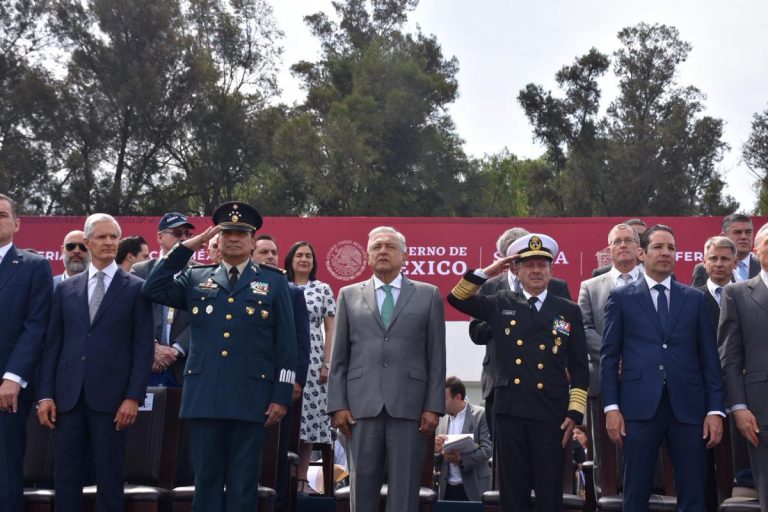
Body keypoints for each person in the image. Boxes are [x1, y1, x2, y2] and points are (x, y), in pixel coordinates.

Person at [142, 201, 297, 512]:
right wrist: (188, 246)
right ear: (217, 239)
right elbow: (153, 288)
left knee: (243, 483)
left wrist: (281, 394)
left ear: (253, 242)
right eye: (227, 233)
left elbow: (287, 344)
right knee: (207, 481)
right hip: (205, 393)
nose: (234, 239)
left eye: (241, 234)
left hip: (251, 393)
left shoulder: (274, 281)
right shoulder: (197, 277)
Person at [448, 233, 589, 511]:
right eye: (528, 265)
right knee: (513, 490)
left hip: (552, 412)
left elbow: (579, 367)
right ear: (515, 270)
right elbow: (457, 298)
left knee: (550, 491)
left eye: (542, 265)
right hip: (510, 408)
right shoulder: (501, 301)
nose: (536, 271)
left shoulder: (568, 310)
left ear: (551, 270)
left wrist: (574, 413)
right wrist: (487, 272)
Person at [601, 224, 724, 511]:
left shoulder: (694, 298)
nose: (666, 253)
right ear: (642, 253)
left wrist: (715, 410)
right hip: (638, 407)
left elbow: (710, 359)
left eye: (671, 247)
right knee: (635, 490)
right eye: (658, 247)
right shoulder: (622, 297)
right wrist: (612, 408)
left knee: (693, 490)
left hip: (689, 408)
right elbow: (609, 357)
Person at [37, 213, 154, 511]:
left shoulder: (137, 288)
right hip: (68, 397)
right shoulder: (65, 289)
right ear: (87, 243)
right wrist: (46, 395)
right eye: (101, 237)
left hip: (113, 400)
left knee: (110, 477)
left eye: (113, 236)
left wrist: (132, 397)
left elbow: (143, 348)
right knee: (65, 477)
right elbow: (53, 346)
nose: (109, 242)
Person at [328, 226, 446, 512]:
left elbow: (436, 357)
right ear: (368, 256)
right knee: (361, 485)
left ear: (404, 256)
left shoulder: (428, 295)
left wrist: (433, 406)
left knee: (405, 489)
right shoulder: (348, 294)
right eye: (377, 247)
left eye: (390, 246)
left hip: (410, 407)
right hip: (359, 408)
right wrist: (337, 405)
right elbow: (339, 356)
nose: (383, 251)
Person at [469, 226, 571, 436]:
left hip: (543, 382)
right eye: (514, 258)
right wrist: (503, 316)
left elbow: (565, 329)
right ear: (506, 261)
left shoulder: (556, 286)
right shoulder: (490, 287)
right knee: (504, 458)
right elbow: (477, 333)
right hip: (500, 383)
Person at [0, 193, 53, 512]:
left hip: (6, 389)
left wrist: (12, 377)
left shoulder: (33, 266)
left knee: (5, 473)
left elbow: (36, 326)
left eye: (2, 214)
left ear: (17, 224)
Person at [252, 234, 311, 511]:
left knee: (275, 457)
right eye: (264, 252)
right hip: (247, 386)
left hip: (280, 387)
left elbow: (301, 341)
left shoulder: (292, 292)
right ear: (252, 255)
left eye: (274, 252)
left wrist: (296, 380)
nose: (271, 257)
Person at [720, 222, 768, 512]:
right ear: (756, 250)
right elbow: (730, 358)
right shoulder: (736, 294)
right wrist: (738, 408)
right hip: (760, 414)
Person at [284, 240, 336, 494]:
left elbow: (330, 329)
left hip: (315, 359)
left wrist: (327, 363)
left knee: (309, 420)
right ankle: (280, 474)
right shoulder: (280, 284)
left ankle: (301, 478)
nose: (304, 259)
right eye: (299, 255)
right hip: (283, 354)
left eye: (309, 256)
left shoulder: (323, 289)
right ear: (290, 259)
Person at [132, 212, 196, 387]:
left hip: (184, 364)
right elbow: (131, 315)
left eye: (188, 234)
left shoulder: (200, 273)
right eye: (177, 233)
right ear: (160, 237)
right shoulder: (139, 271)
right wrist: (152, 346)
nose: (183, 238)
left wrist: (176, 350)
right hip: (146, 362)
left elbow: (203, 317)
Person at [434, 376, 492, 501]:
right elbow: (436, 460)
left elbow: (487, 450)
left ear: (458, 397)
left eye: (444, 398)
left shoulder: (480, 415)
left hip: (473, 488)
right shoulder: (441, 419)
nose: (440, 402)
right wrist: (437, 450)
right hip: (447, 489)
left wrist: (461, 459)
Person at [691, 213, 759, 287]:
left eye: (748, 232)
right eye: (737, 232)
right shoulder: (703, 269)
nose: (744, 237)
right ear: (723, 236)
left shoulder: (764, 267)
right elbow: (696, 297)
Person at [696, 236, 737, 326]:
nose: (718, 264)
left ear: (735, 263)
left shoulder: (745, 297)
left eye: (724, 259)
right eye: (713, 258)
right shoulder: (693, 298)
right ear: (704, 262)